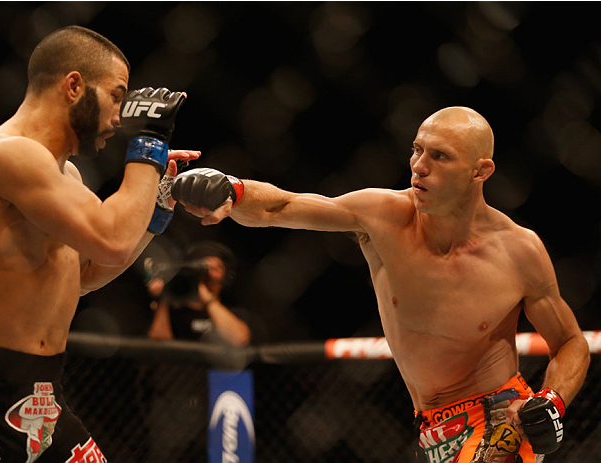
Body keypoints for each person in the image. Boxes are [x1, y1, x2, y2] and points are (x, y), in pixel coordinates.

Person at [170, 107, 590, 462]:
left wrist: (551, 400)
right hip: (430, 425)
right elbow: (284, 205)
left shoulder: (518, 251)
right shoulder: (384, 216)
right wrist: (232, 191)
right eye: (417, 150)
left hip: (499, 417)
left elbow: (570, 342)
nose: (419, 166)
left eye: (440, 156)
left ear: (481, 171)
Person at [0, 25, 200, 462]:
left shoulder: (65, 177)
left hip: (41, 405)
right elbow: (111, 239)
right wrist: (150, 145)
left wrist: (157, 206)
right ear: (73, 86)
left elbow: (84, 274)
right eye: (117, 96)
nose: (120, 117)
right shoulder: (6, 154)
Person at [146, 241, 251, 347]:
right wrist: (164, 297)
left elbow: (239, 340)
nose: (210, 275)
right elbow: (159, 345)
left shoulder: (232, 308)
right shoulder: (174, 310)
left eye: (216, 268)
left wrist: (208, 300)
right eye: (204, 268)